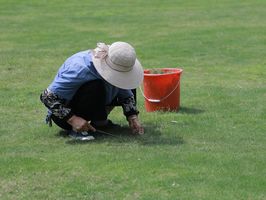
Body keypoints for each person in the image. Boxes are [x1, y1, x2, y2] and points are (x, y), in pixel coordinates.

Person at [40, 41, 144, 140]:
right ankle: (77, 130)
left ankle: (100, 122)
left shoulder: (117, 64)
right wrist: (73, 119)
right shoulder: (79, 68)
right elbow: (47, 97)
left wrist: (132, 116)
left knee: (128, 81)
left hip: (96, 102)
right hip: (64, 115)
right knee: (95, 85)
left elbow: (126, 92)